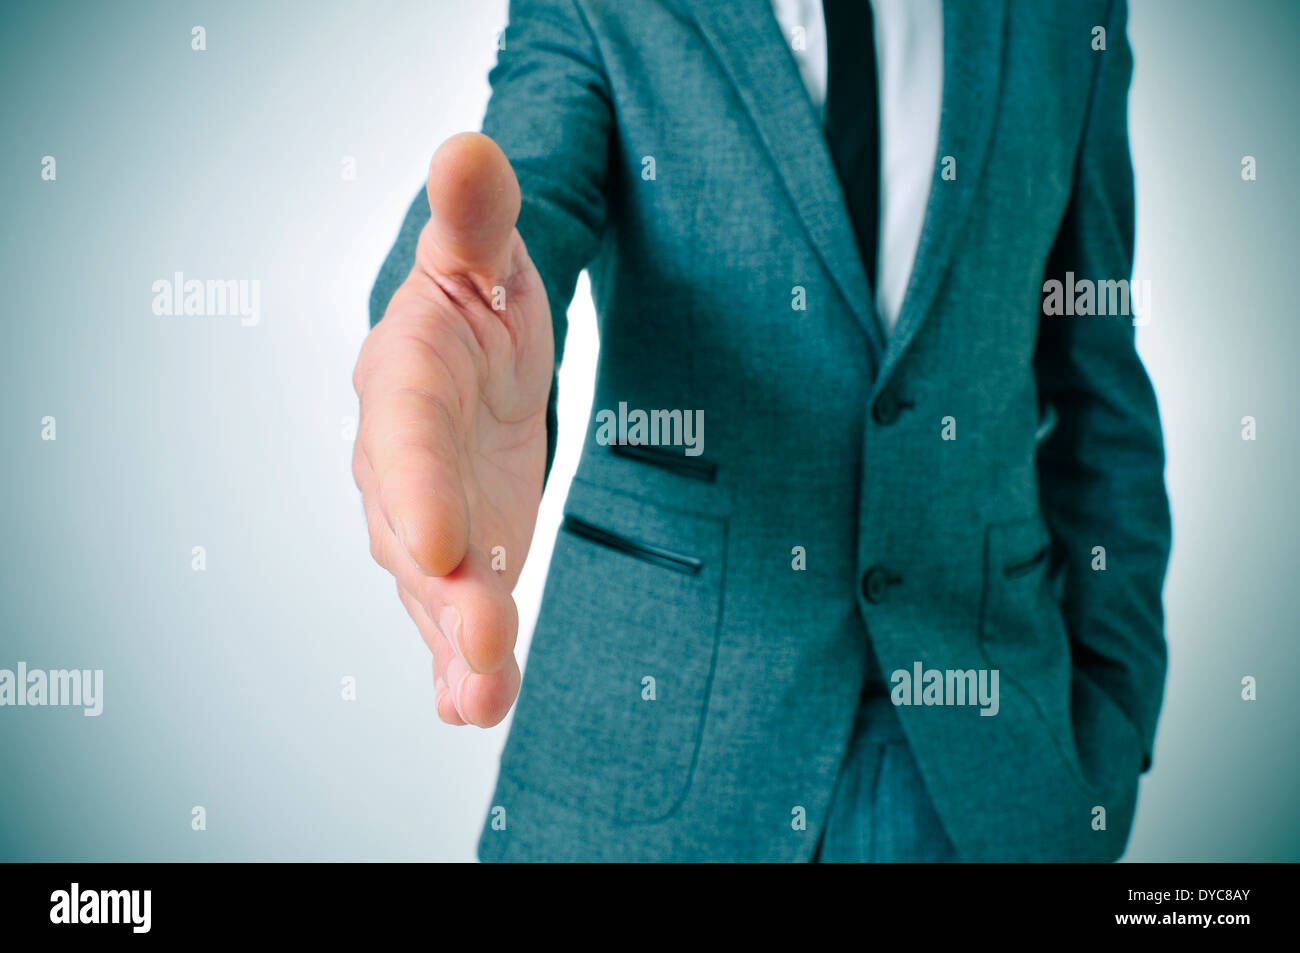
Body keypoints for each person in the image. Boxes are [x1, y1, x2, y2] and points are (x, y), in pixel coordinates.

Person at [354, 0, 1171, 862]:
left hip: (989, 773)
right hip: (650, 760)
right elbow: (517, 210)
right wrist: (455, 336)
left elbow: (1097, 380)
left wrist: (1115, 721)